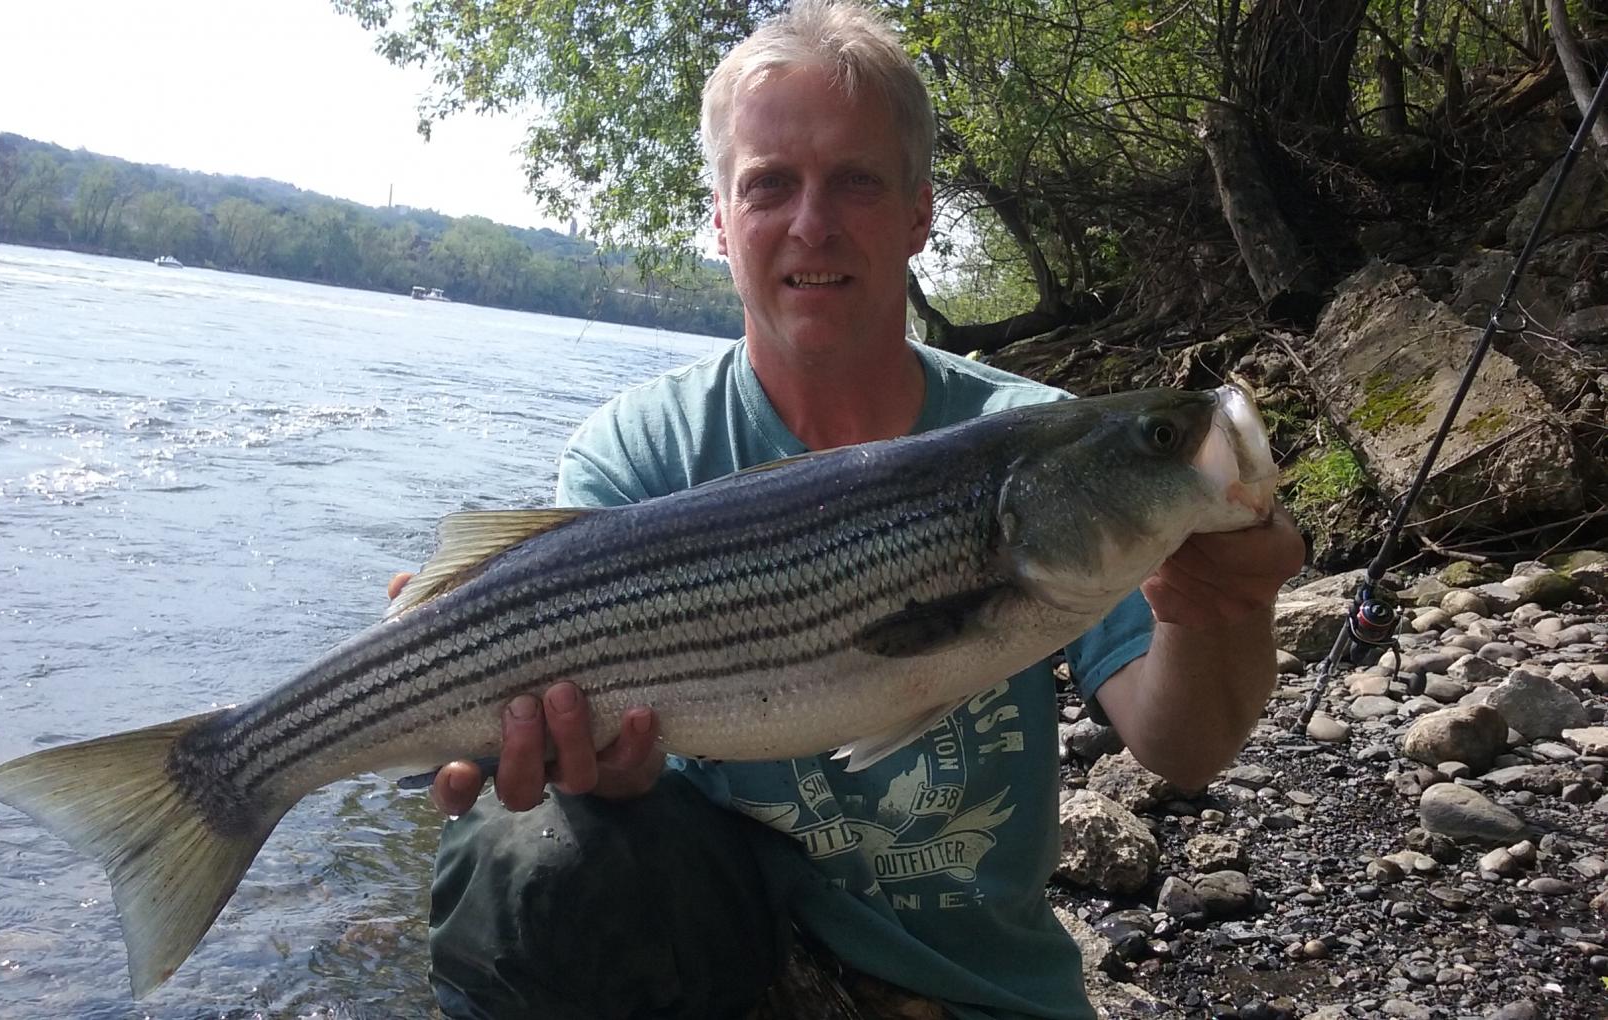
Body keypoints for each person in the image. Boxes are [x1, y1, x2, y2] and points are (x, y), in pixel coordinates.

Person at [399, 2, 1306, 1017]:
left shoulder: (1035, 433)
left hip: (972, 993)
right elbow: (607, 813)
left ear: (920, 212)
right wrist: (586, 771)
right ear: (719, 219)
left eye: (855, 182)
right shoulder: (639, 450)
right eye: (768, 185)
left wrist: (1215, 610)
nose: (811, 225)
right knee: (527, 852)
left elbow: (1183, 750)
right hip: (725, 964)